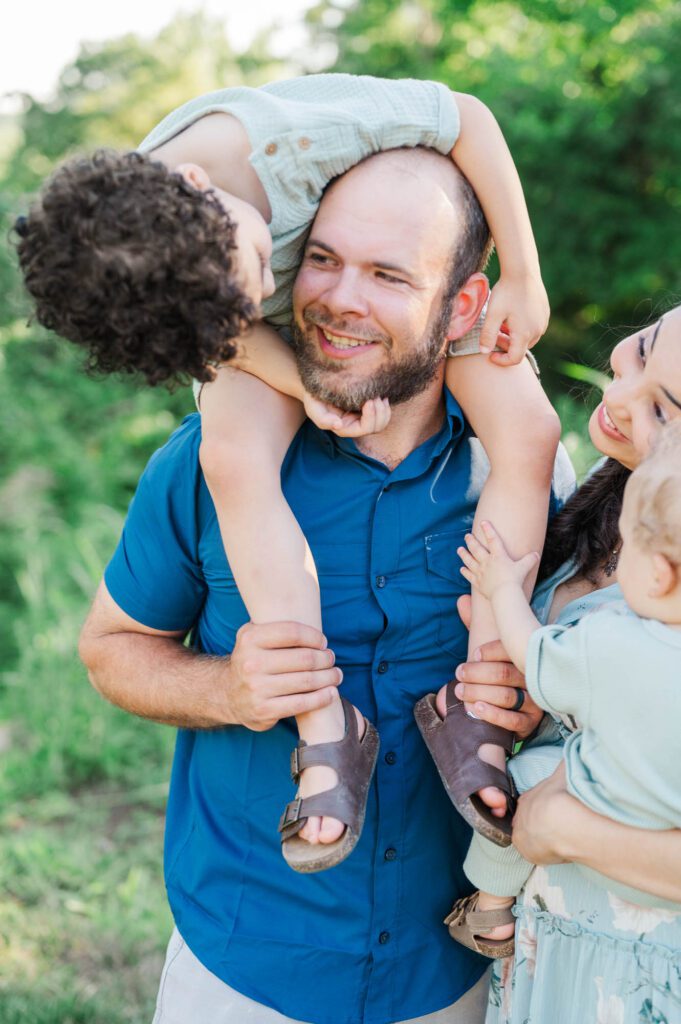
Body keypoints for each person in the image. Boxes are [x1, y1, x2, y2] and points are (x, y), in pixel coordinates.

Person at [78, 147, 573, 1024]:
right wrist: (227, 688)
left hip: (451, 969)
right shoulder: (207, 464)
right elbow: (113, 649)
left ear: (462, 306)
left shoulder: (529, 477)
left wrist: (537, 693)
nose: (340, 299)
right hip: (243, 963)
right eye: (322, 259)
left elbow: (610, 681)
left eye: (387, 274)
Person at [16, 73, 559, 862]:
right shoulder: (160, 269)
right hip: (267, 340)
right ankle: (325, 726)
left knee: (530, 433)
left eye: (257, 269)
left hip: (399, 288)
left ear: (199, 187)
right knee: (231, 456)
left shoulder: (289, 136)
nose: (267, 283)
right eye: (255, 284)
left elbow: (467, 116)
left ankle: (478, 693)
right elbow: (232, 329)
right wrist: (302, 381)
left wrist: (525, 273)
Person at [447, 306, 681, 1023]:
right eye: (640, 353)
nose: (614, 400)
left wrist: (561, 831)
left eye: (663, 412)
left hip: (639, 968)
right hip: (550, 939)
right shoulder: (604, 503)